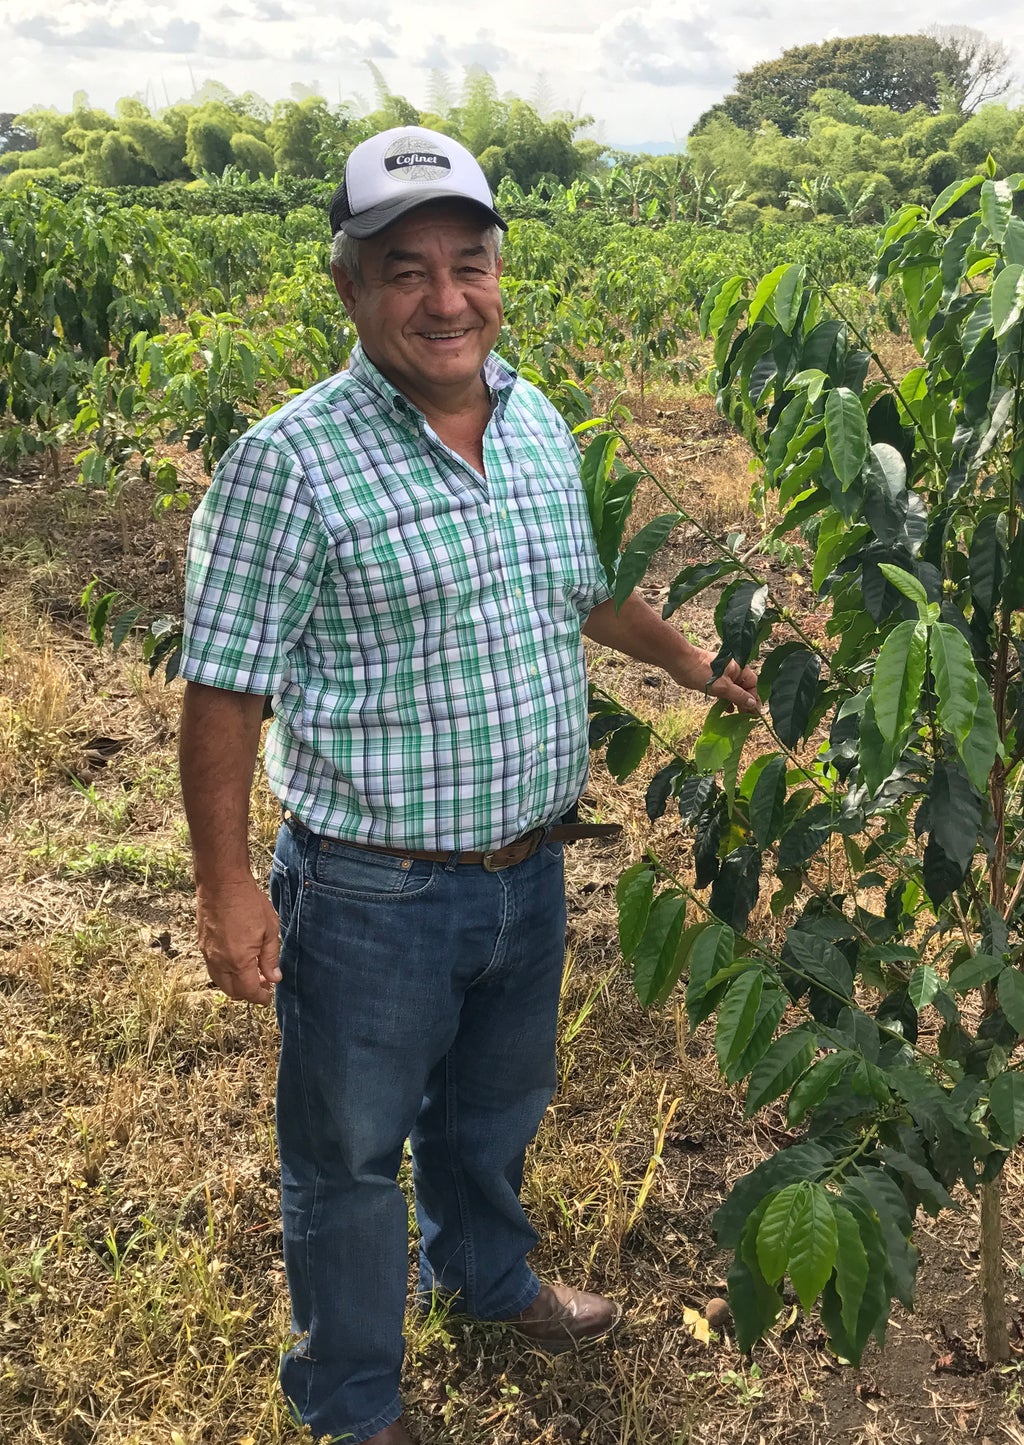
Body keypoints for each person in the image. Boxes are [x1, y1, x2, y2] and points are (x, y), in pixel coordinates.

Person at [177, 126, 758, 1445]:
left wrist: (688, 657)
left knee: (497, 1107)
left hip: (527, 864)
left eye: (468, 263)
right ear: (350, 288)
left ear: (500, 271)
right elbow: (222, 688)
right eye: (404, 270)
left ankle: (487, 1279)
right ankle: (351, 1402)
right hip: (372, 885)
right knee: (347, 1157)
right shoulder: (292, 461)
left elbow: (583, 583)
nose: (446, 298)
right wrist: (223, 887)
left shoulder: (537, 412)